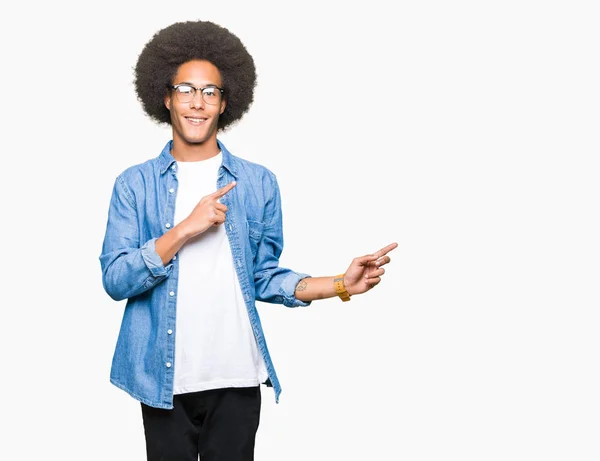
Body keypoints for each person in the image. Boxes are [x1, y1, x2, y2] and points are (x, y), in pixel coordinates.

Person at [99, 20, 397, 461]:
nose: (197, 102)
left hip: (236, 378)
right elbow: (116, 279)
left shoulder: (258, 183)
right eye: (185, 89)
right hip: (163, 380)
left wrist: (339, 285)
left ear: (224, 103)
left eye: (210, 92)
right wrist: (185, 229)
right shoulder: (133, 185)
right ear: (165, 97)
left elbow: (263, 276)